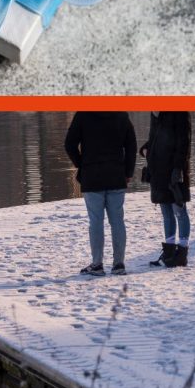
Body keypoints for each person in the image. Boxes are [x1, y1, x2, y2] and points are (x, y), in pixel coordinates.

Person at [65, 112, 137, 276]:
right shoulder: (121, 115)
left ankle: (97, 264)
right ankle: (119, 264)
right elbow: (131, 145)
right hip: (116, 174)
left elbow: (69, 144)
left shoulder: (83, 114)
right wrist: (128, 171)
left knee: (96, 221)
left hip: (92, 176)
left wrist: (81, 164)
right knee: (117, 221)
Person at [141, 112, 192, 268]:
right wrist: (147, 147)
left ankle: (182, 253)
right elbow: (157, 137)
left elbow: (184, 141)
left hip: (173, 170)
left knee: (179, 210)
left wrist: (177, 168)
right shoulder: (155, 112)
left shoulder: (179, 111)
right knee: (166, 212)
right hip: (158, 170)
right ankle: (169, 253)